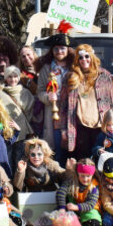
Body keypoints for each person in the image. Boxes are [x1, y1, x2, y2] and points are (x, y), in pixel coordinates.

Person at [59, 44, 113, 159]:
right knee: (83, 159)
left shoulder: (104, 75)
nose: (84, 60)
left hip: (101, 125)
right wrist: (63, 129)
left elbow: (112, 103)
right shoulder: (71, 77)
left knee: (101, 158)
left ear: (92, 57)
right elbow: (63, 106)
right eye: (80, 57)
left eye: (87, 56)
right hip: (80, 126)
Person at [37, 21, 74, 156]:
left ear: (68, 50)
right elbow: (40, 91)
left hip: (71, 113)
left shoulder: (74, 68)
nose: (59, 52)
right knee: (56, 151)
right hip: (53, 114)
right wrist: (47, 97)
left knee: (71, 149)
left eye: (62, 48)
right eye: (56, 49)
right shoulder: (46, 69)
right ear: (52, 51)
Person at [0, 65, 35, 159]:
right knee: (7, 159)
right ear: (6, 78)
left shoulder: (25, 93)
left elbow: (31, 112)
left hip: (22, 132)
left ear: (19, 77)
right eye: (10, 76)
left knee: (20, 159)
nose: (13, 79)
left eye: (15, 76)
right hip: (6, 133)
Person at [55, 158, 101, 226]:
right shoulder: (72, 180)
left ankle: (81, 223)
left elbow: (91, 204)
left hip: (88, 210)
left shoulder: (94, 186)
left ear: (92, 175)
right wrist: (62, 208)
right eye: (82, 176)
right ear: (78, 173)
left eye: (88, 176)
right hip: (71, 208)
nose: (85, 179)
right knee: (59, 220)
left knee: (94, 224)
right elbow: (61, 192)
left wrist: (76, 207)